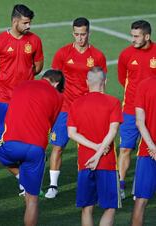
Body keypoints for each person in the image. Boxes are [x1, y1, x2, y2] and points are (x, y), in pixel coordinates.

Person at [0, 4, 44, 199]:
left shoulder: (34, 40)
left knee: (24, 141)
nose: (28, 26)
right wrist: (4, 76)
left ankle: (24, 183)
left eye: (30, 22)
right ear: (15, 21)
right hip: (3, 100)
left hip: (25, 102)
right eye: (25, 23)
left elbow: (38, 66)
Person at [45, 17, 107, 199]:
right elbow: (52, 82)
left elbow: (102, 84)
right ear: (73, 33)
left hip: (86, 109)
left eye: (83, 34)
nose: (80, 38)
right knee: (57, 146)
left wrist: (101, 107)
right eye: (77, 34)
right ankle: (53, 186)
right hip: (64, 108)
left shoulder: (97, 56)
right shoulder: (63, 53)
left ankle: (90, 183)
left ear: (89, 33)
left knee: (88, 148)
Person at [0, 70, 64, 226]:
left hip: (12, 144)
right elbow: (51, 123)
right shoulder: (58, 97)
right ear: (56, 84)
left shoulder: (22, 85)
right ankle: (24, 179)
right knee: (32, 200)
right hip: (36, 148)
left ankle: (20, 177)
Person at [67, 67, 122, 226]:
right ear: (105, 81)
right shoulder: (113, 102)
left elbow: (72, 133)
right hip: (107, 162)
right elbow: (113, 131)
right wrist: (99, 152)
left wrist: (93, 148)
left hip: (85, 162)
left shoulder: (76, 104)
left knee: (86, 207)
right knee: (110, 207)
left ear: (87, 82)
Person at [117, 20, 156, 199]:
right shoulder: (125, 55)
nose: (133, 39)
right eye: (132, 35)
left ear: (147, 36)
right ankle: (121, 185)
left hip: (153, 112)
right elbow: (121, 79)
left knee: (149, 149)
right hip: (131, 110)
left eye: (136, 36)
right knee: (125, 148)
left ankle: (142, 185)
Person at [130, 76, 156, 226]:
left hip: (148, 151)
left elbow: (140, 122)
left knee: (141, 201)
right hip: (149, 150)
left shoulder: (144, 84)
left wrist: (152, 146)